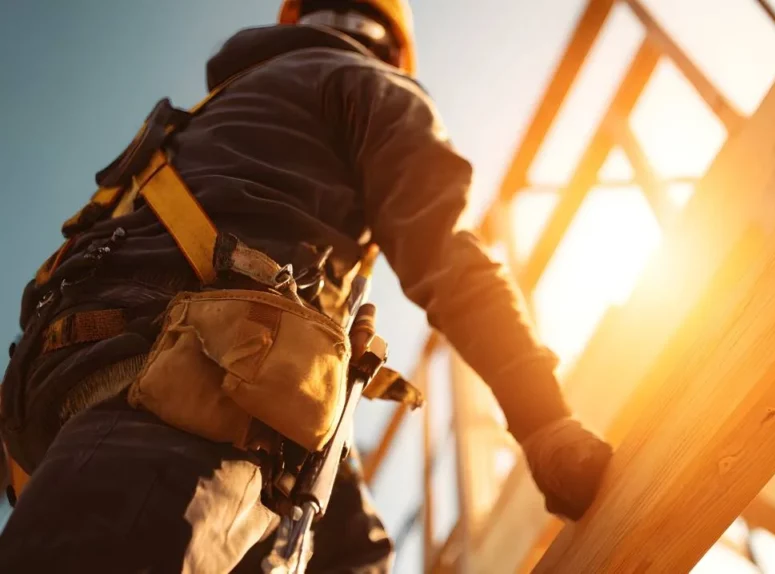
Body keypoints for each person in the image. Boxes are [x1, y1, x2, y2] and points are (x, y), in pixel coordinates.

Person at [0, 0, 613, 572]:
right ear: (392, 49)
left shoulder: (206, 117)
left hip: (60, 390)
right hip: (188, 377)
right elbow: (448, 258)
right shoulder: (368, 86)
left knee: (351, 546)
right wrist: (544, 422)